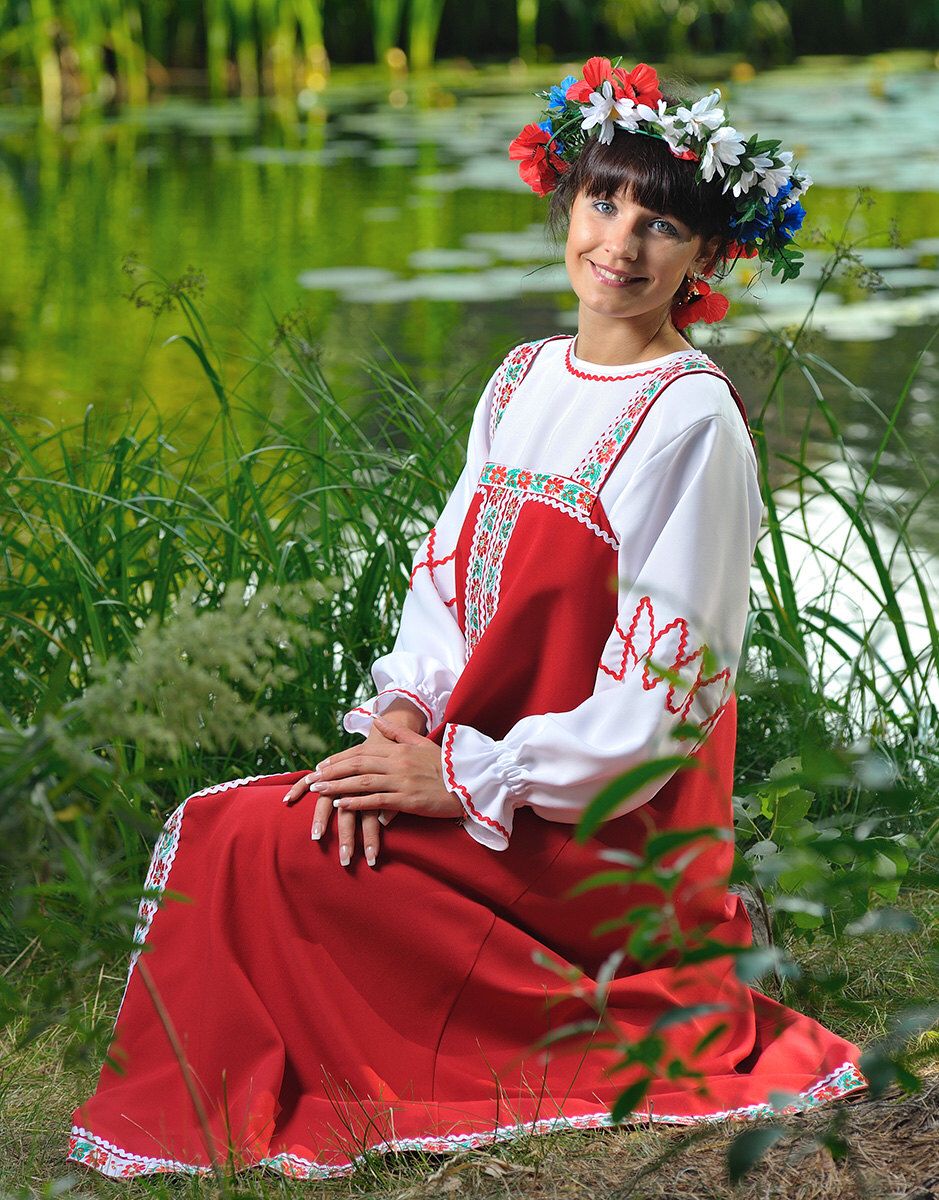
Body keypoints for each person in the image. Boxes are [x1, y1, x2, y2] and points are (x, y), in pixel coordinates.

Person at [67, 56, 866, 1181]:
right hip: (490, 772)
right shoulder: (521, 377)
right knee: (248, 833)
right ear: (566, 197)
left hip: (600, 837)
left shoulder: (695, 426)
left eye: (663, 222)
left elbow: (661, 719)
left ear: (709, 256)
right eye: (604, 200)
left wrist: (459, 780)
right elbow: (445, 592)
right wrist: (403, 712)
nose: (622, 244)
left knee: (266, 846)